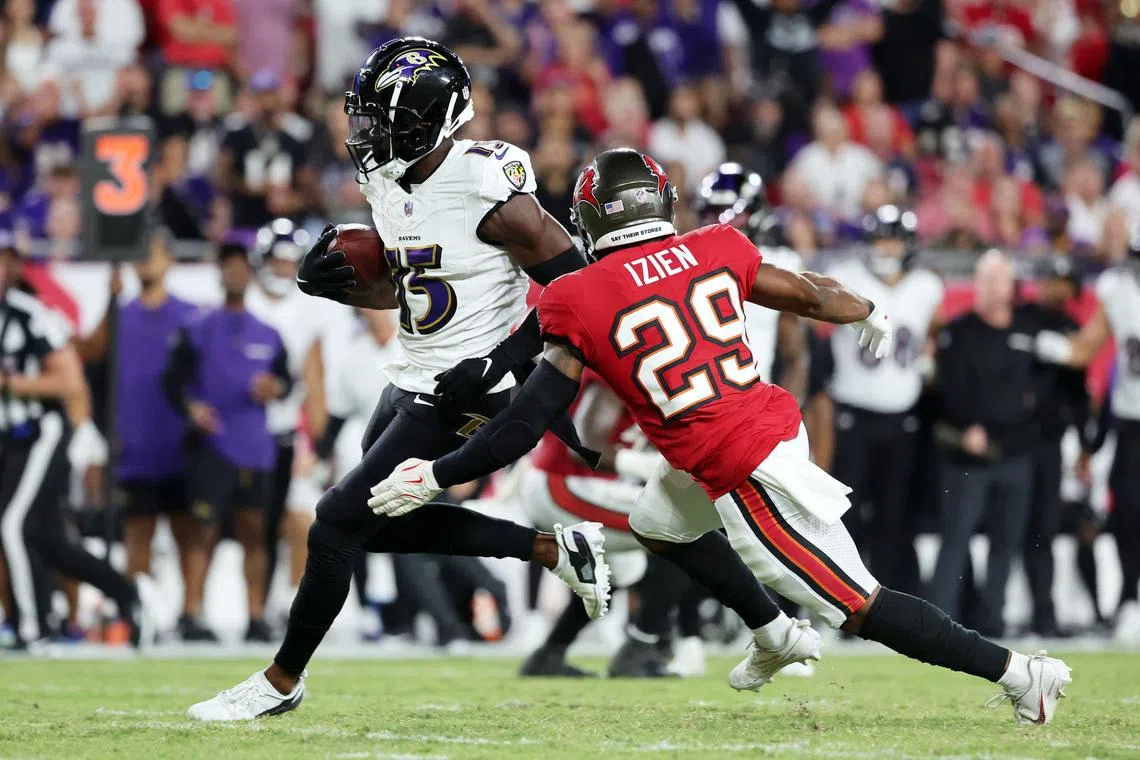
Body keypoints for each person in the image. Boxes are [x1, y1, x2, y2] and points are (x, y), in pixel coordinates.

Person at [373, 148, 1072, 726]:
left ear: (588, 219)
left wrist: (437, 475)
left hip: (743, 467)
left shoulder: (576, 297)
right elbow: (802, 292)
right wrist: (865, 310)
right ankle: (770, 634)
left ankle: (1021, 673)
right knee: (654, 518)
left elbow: (525, 421)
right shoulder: (716, 246)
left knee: (859, 604)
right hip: (751, 431)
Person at [187, 39, 610, 721]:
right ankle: (550, 548)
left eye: (384, 121)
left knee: (332, 526)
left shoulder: (488, 188)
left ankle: (279, 680)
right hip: (410, 371)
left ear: (431, 120)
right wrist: (351, 287)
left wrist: (501, 363)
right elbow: (419, 287)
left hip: (467, 389)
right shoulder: (388, 178)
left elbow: (581, 295)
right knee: (370, 528)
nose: (367, 135)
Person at [0, 250, 154, 650]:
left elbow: (68, 379)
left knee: (12, 526)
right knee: (48, 539)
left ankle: (33, 629)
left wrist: (11, 384)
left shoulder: (26, 314)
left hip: (37, 434)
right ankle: (126, 594)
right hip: (7, 442)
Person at [78, 231, 217, 642]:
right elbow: (88, 355)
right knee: (138, 534)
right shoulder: (118, 314)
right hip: (134, 445)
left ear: (170, 260)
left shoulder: (192, 315)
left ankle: (191, 614)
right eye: (139, 254)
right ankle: (137, 613)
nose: (145, 262)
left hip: (182, 444)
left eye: (153, 253)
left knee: (189, 532)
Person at [163, 242, 292, 643]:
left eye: (241, 268)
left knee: (255, 530)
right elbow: (171, 382)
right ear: (220, 275)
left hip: (255, 446)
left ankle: (255, 616)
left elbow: (287, 382)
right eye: (229, 268)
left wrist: (275, 387)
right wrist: (192, 409)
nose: (235, 275)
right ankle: (190, 613)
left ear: (250, 275)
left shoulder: (268, 333)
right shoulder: (198, 328)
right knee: (203, 530)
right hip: (213, 444)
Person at [823, 205, 941, 597]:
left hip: (902, 417)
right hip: (852, 412)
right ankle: (844, 595)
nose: (885, 247)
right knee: (846, 510)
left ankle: (890, 602)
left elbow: (933, 335)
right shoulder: (849, 278)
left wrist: (928, 362)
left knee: (895, 514)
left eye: (892, 239)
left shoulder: (926, 286)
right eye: (878, 238)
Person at [514, 372, 663, 677]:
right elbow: (582, 445)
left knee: (624, 569)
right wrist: (645, 466)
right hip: (563, 480)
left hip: (575, 482)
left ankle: (549, 655)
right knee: (685, 531)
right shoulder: (624, 368)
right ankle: (644, 646)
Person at [1035, 227, 1140, 640]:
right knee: (1128, 511)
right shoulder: (1118, 288)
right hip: (1132, 420)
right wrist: (1043, 345)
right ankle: (1129, 597)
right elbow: (1085, 348)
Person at [245, 219, 349, 619]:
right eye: (278, 260)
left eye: (291, 262)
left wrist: (318, 445)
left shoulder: (310, 309)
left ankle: (289, 602)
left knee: (298, 518)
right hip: (243, 430)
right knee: (252, 523)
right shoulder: (245, 303)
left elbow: (316, 380)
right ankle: (252, 609)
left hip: (289, 431)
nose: (284, 269)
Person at [930, 250, 1037, 637]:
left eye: (1000, 280)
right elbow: (950, 387)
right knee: (956, 539)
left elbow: (1041, 384)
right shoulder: (959, 331)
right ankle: (939, 622)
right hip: (969, 454)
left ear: (1011, 286)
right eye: (986, 280)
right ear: (976, 285)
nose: (993, 288)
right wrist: (969, 426)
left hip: (1016, 452)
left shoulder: (1028, 330)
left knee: (1005, 544)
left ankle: (993, 621)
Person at [1017, 257, 1089, 637]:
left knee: (1041, 531)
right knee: (1005, 528)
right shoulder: (1019, 318)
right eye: (1051, 279)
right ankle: (984, 613)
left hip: (1048, 444)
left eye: (1063, 281)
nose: (1055, 288)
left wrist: (1085, 446)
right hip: (1010, 443)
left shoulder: (1073, 331)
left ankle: (1044, 615)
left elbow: (1078, 397)